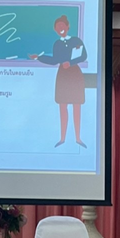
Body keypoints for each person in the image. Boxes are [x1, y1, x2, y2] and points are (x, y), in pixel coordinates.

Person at [29, 15, 87, 148]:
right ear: (55, 30)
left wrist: (70, 62)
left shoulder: (76, 40)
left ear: (67, 26)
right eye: (57, 27)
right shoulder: (57, 44)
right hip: (63, 75)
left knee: (77, 106)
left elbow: (84, 56)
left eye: (62, 26)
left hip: (75, 75)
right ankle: (62, 138)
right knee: (62, 106)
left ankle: (78, 138)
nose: (60, 28)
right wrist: (39, 58)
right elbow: (54, 60)